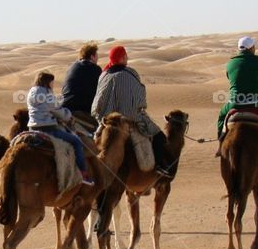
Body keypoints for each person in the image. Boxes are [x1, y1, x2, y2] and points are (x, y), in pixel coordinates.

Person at [91, 45, 176, 177]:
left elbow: (97, 102)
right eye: (126, 56)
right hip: (129, 118)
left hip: (106, 119)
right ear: (122, 58)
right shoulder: (130, 73)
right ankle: (160, 166)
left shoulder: (103, 75)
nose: (127, 59)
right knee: (159, 137)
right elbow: (140, 99)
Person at [27, 71, 94, 185]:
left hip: (32, 129)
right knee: (76, 142)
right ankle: (82, 173)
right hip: (48, 128)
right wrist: (69, 116)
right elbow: (58, 111)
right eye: (52, 82)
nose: (53, 85)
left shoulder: (31, 92)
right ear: (48, 82)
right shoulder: (47, 94)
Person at [60, 42, 102, 126]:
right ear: (92, 56)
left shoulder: (72, 67)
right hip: (82, 110)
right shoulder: (95, 69)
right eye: (96, 55)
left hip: (65, 108)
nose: (97, 58)